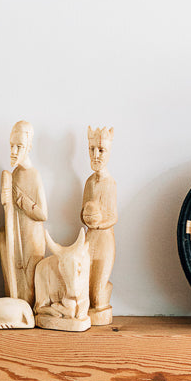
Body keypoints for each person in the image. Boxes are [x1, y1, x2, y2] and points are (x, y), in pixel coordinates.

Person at [0, 120, 47, 306]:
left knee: (29, 288)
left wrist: (20, 199)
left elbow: (43, 214)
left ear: (28, 147)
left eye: (18, 147)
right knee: (16, 283)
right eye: (11, 146)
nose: (13, 151)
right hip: (16, 236)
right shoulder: (13, 174)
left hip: (32, 239)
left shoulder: (33, 174)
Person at [82, 126, 117, 325]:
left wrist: (97, 222)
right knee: (84, 291)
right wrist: (86, 217)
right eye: (92, 149)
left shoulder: (110, 183)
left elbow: (113, 216)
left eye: (101, 150)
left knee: (96, 298)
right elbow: (82, 212)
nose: (96, 155)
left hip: (104, 241)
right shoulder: (89, 183)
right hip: (89, 239)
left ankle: (104, 288)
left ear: (108, 152)